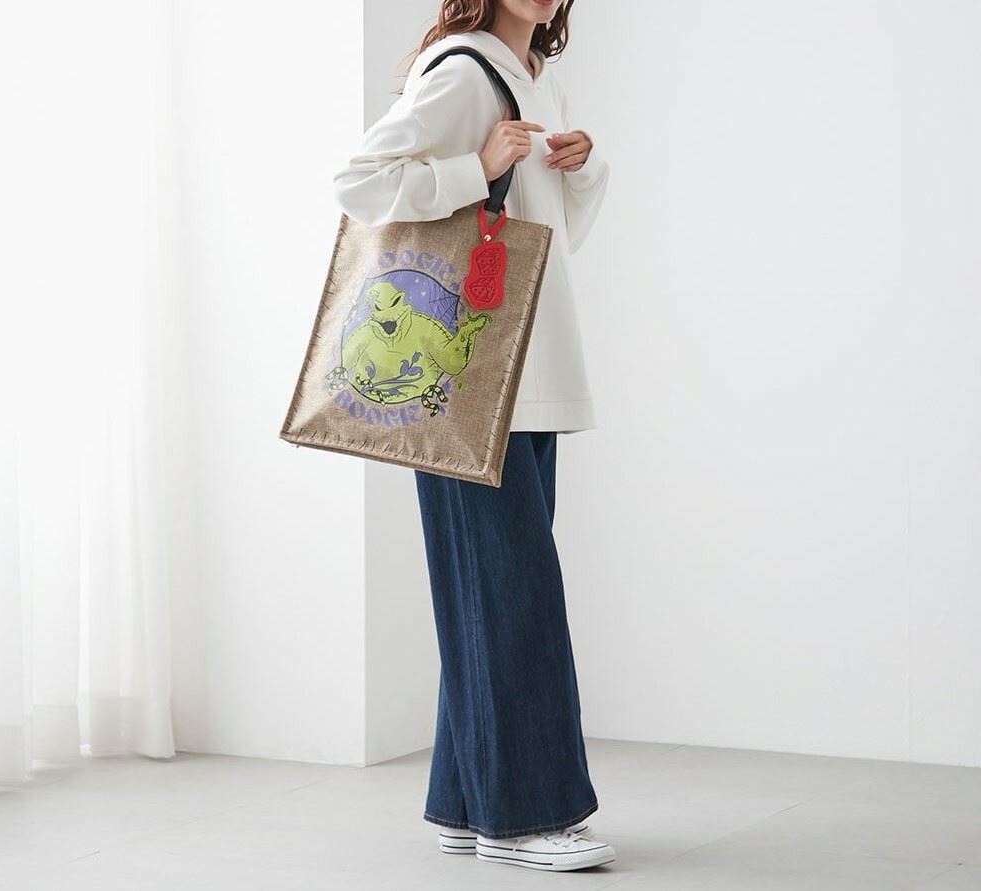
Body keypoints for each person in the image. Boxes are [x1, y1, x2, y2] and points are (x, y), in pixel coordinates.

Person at [333, 0, 613, 873]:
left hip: (522, 375)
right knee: (513, 595)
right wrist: (474, 167)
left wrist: (581, 170)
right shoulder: (462, 71)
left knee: (490, 592)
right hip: (469, 378)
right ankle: (524, 817)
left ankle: (469, 800)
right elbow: (359, 182)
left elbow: (558, 237)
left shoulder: (537, 79)